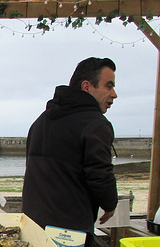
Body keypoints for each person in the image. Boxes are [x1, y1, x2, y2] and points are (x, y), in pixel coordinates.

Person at [22, 57, 119, 232]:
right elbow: (100, 174)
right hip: (69, 231)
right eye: (109, 86)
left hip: (32, 224)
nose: (114, 94)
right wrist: (110, 204)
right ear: (87, 87)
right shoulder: (95, 124)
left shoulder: (41, 121)